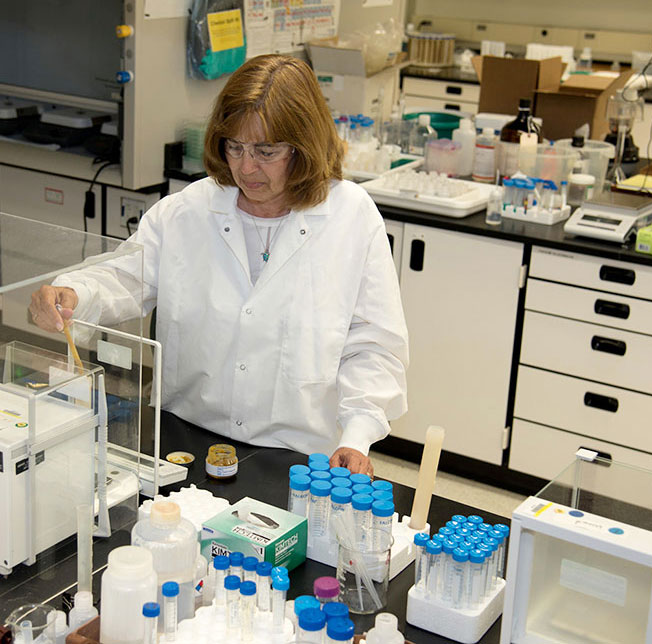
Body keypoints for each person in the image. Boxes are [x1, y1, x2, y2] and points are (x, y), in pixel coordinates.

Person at [29, 54, 407, 475]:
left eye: (266, 150)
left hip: (296, 456)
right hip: (183, 441)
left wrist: (357, 436)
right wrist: (73, 294)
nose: (246, 167)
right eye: (235, 146)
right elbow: (123, 276)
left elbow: (374, 345)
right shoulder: (188, 211)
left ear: (304, 146)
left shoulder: (350, 218)